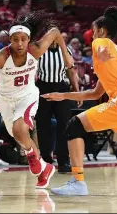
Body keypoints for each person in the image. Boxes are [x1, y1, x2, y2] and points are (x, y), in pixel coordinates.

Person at [0, 10, 74, 189]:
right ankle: (43, 166)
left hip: (27, 94)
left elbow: (54, 31)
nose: (20, 43)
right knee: (18, 135)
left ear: (29, 40)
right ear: (10, 40)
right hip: (5, 99)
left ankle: (35, 160)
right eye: (15, 39)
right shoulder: (0, 57)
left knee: (19, 128)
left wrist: (66, 53)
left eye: (23, 39)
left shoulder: (36, 50)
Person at [42, 6, 117, 195]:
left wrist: (101, 52)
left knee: (74, 126)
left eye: (93, 31)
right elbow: (95, 94)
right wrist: (63, 95)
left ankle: (78, 181)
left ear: (102, 31)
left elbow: (100, 46)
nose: (92, 35)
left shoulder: (102, 42)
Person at [36, 40, 78, 173]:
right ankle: (46, 160)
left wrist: (76, 91)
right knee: (43, 126)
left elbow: (71, 71)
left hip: (61, 88)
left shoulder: (66, 50)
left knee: (64, 125)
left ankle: (63, 161)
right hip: (43, 88)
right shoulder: (39, 50)